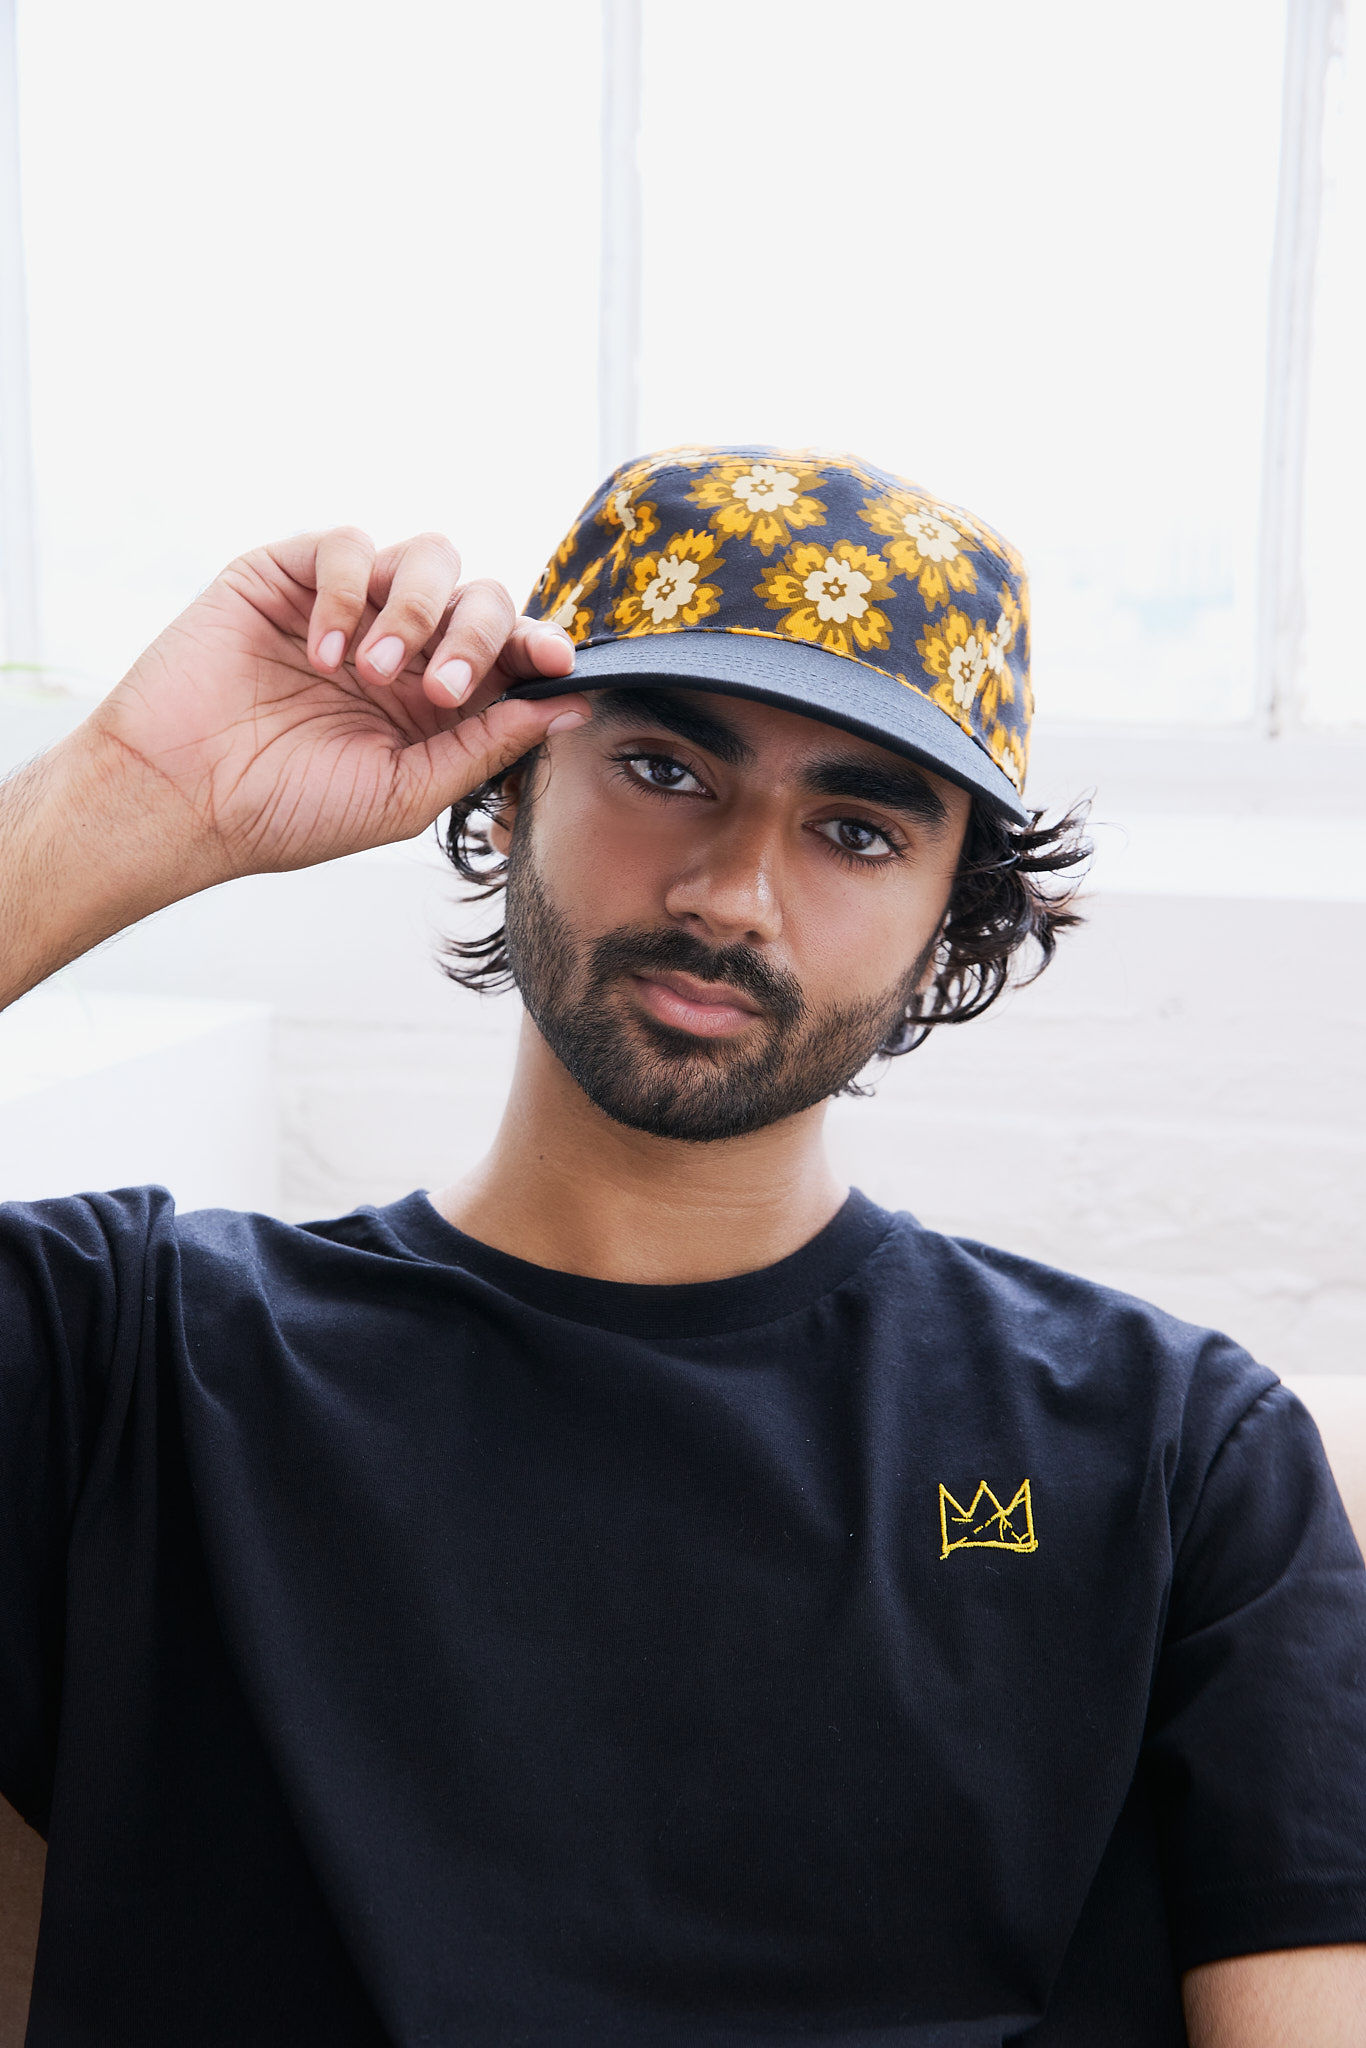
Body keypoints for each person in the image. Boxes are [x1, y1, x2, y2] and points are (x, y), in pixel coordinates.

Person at [1, 445, 1364, 2048]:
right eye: (666, 771)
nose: (732, 894)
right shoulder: (131, 1356)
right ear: (502, 790)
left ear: (952, 920)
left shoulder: (1173, 1447)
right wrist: (132, 800)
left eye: (856, 831)